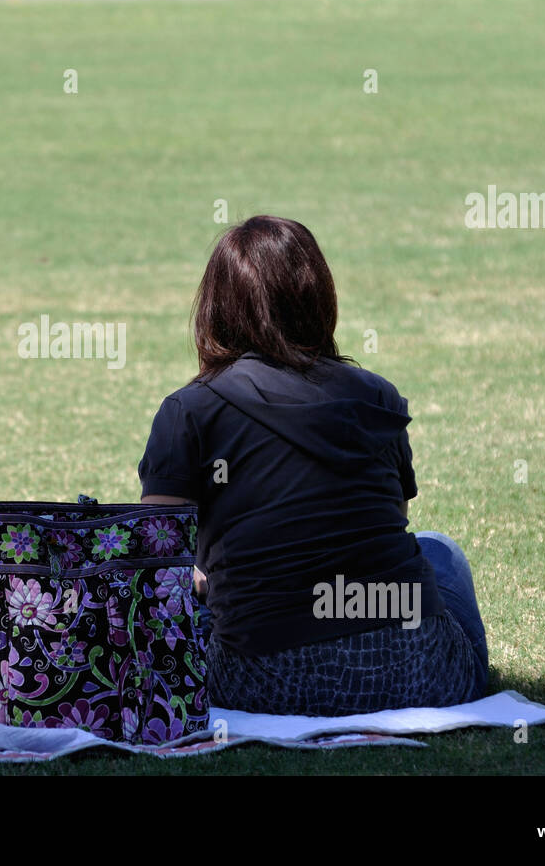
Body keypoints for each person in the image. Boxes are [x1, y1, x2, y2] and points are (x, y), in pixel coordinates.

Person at [137, 215, 489, 716]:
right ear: (318, 298)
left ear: (216, 309)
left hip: (265, 683)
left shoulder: (190, 411)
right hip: (422, 673)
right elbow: (374, 522)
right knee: (440, 550)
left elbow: (155, 560)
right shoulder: (376, 396)